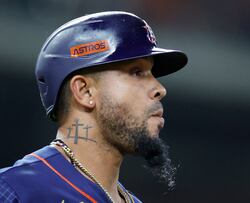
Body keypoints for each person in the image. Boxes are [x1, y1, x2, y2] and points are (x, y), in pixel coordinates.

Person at [0, 11, 187, 203]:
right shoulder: (15, 189)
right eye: (136, 72)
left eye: (152, 73)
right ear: (84, 91)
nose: (160, 89)